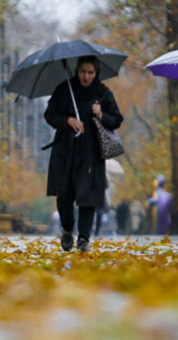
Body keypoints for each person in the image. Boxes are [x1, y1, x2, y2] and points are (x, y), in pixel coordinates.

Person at [44, 55, 124, 252]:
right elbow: (50, 114)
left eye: (90, 73)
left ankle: (84, 238)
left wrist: (101, 114)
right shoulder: (65, 89)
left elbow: (116, 119)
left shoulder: (102, 93)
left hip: (90, 152)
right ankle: (68, 229)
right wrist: (68, 121)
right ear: (76, 71)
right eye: (82, 72)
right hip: (65, 150)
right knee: (64, 196)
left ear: (96, 73)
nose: (86, 76)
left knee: (88, 197)